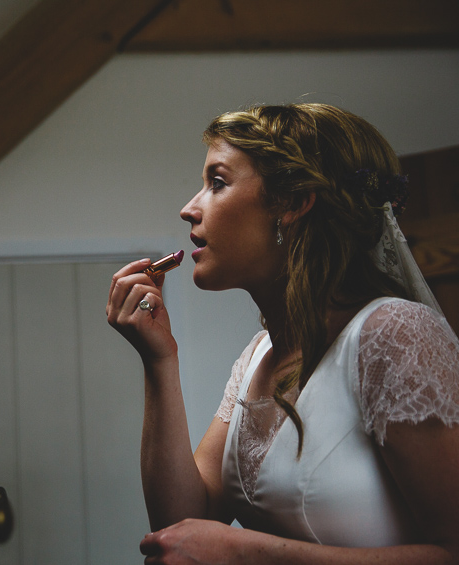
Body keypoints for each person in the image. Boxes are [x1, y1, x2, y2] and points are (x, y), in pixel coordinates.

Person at [106, 103, 459, 564]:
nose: (188, 209)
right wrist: (159, 361)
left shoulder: (393, 334)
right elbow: (181, 522)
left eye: (217, 181)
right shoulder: (258, 356)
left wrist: (245, 553)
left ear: (293, 203)